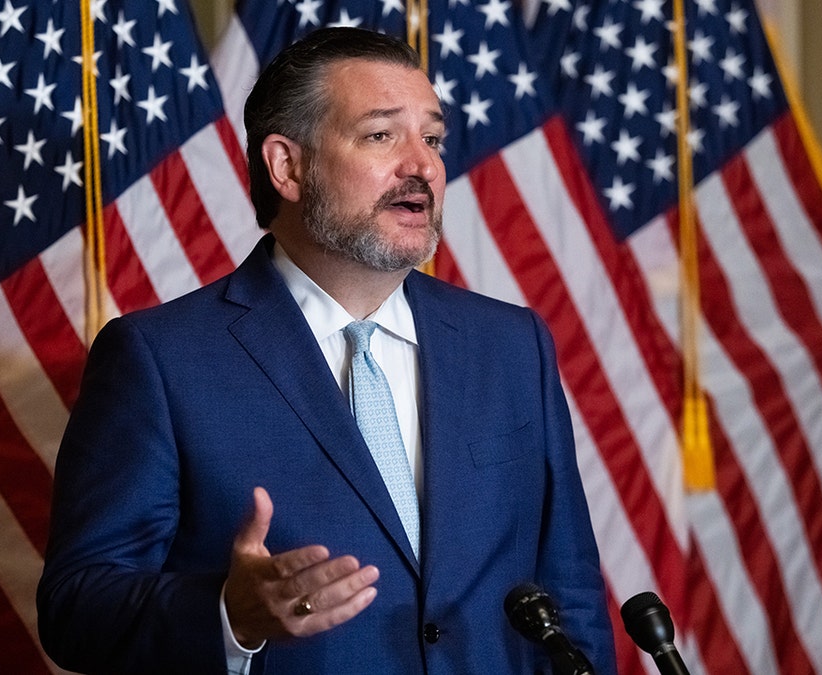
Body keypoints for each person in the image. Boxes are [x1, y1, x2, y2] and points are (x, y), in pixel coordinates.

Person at [37, 26, 616, 675]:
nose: (422, 165)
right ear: (288, 165)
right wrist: (230, 612)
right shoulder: (159, 358)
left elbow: (570, 588)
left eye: (432, 138)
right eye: (381, 134)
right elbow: (76, 606)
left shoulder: (512, 345)